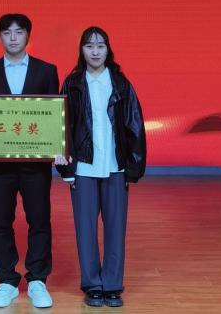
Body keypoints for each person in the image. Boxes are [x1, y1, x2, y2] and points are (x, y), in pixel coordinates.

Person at [0, 13, 60, 309]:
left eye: (19, 31)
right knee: (0, 220)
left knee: (39, 219)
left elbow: (54, 115)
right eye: (7, 32)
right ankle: (6, 280)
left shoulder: (46, 70)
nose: (13, 37)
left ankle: (38, 279)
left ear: (28, 35)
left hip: (36, 164)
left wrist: (57, 147)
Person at [55, 27, 146, 308]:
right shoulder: (72, 84)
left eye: (100, 46)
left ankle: (113, 285)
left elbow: (134, 126)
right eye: (89, 46)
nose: (95, 52)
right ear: (81, 50)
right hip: (83, 168)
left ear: (108, 50)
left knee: (116, 228)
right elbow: (62, 126)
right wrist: (66, 169)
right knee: (85, 230)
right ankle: (93, 284)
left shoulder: (120, 84)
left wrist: (132, 168)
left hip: (115, 167)